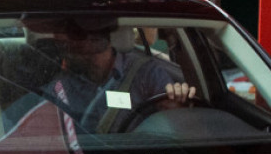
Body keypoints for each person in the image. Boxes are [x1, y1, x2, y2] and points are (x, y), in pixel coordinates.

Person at [40, 18, 197, 136]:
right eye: (67, 46)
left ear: (100, 41)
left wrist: (176, 106)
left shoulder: (146, 73)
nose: (68, 52)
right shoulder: (63, 86)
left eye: (75, 44)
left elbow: (173, 125)